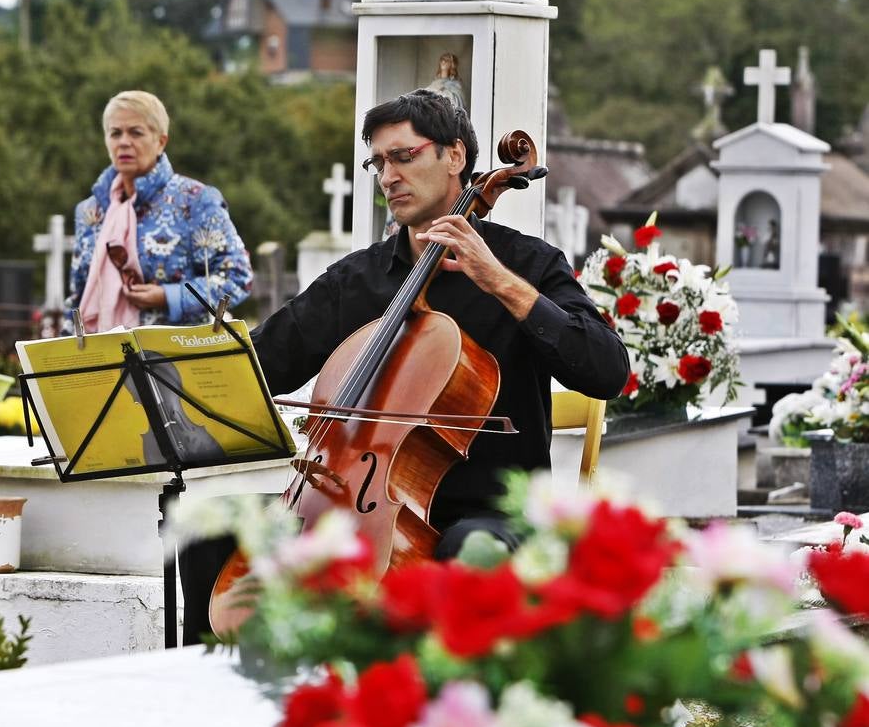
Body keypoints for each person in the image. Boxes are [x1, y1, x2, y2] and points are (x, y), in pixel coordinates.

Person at [179, 89, 629, 642]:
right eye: (378, 162)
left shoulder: (527, 263)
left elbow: (606, 369)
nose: (387, 176)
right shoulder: (359, 280)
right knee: (209, 528)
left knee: (470, 551)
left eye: (404, 156)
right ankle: (215, 708)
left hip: (489, 510)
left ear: (455, 157)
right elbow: (264, 365)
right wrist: (189, 371)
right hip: (352, 500)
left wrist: (499, 282)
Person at [66, 90, 252, 332]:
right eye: (115, 133)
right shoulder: (90, 211)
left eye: (136, 132)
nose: (124, 142)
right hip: (103, 358)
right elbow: (77, 297)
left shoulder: (196, 200)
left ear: (161, 141)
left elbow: (238, 277)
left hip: (179, 359)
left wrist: (168, 296)